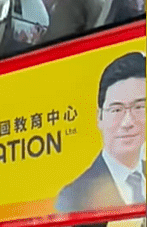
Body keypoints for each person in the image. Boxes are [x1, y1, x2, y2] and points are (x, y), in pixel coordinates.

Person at [56, 51, 145, 213]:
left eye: (139, 107)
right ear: (100, 117)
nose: (128, 122)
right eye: (116, 109)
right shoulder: (73, 197)